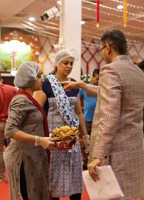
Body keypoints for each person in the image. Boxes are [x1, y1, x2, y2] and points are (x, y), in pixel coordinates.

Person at [59, 30, 144, 200]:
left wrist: (99, 155)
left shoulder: (110, 70)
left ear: (107, 47)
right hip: (135, 146)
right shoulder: (137, 71)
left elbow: (110, 115)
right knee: (130, 194)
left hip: (116, 150)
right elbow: (117, 95)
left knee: (112, 195)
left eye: (100, 50)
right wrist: (84, 86)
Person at [34, 50, 88, 200]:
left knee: (74, 172)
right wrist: (37, 139)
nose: (69, 66)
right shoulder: (46, 84)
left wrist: (85, 135)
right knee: (55, 173)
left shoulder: (74, 84)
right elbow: (36, 112)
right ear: (56, 63)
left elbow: (78, 112)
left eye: (71, 63)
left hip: (72, 137)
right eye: (65, 62)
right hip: (53, 138)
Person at [4, 61, 56, 200]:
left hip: (33, 155)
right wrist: (38, 139)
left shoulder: (29, 98)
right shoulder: (21, 100)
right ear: (29, 78)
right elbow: (9, 130)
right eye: (39, 76)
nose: (43, 80)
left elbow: (30, 126)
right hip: (23, 159)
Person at [79, 68, 99, 135]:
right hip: (87, 119)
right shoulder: (85, 87)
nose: (99, 81)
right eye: (97, 78)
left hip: (98, 120)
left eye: (101, 79)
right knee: (86, 140)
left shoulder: (102, 89)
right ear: (92, 77)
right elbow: (77, 99)